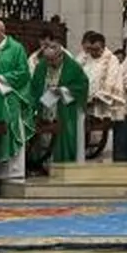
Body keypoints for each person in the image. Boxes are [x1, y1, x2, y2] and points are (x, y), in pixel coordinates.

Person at [0, 19, 33, 184]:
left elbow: (23, 73)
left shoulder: (16, 48)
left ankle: (13, 171)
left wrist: (0, 78)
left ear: (2, 32)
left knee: (9, 129)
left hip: (8, 96)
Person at [29, 30, 91, 165]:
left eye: (53, 60)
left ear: (60, 56)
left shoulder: (73, 67)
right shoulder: (41, 66)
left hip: (66, 108)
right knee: (43, 137)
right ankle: (44, 164)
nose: (50, 63)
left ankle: (64, 164)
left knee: (64, 136)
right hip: (46, 107)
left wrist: (63, 90)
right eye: (48, 60)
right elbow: (34, 87)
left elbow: (83, 85)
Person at [78, 31, 125, 124]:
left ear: (103, 47)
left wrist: (98, 96)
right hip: (86, 104)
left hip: (104, 105)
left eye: (97, 49)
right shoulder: (85, 58)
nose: (94, 52)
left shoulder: (111, 60)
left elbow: (111, 81)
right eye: (91, 49)